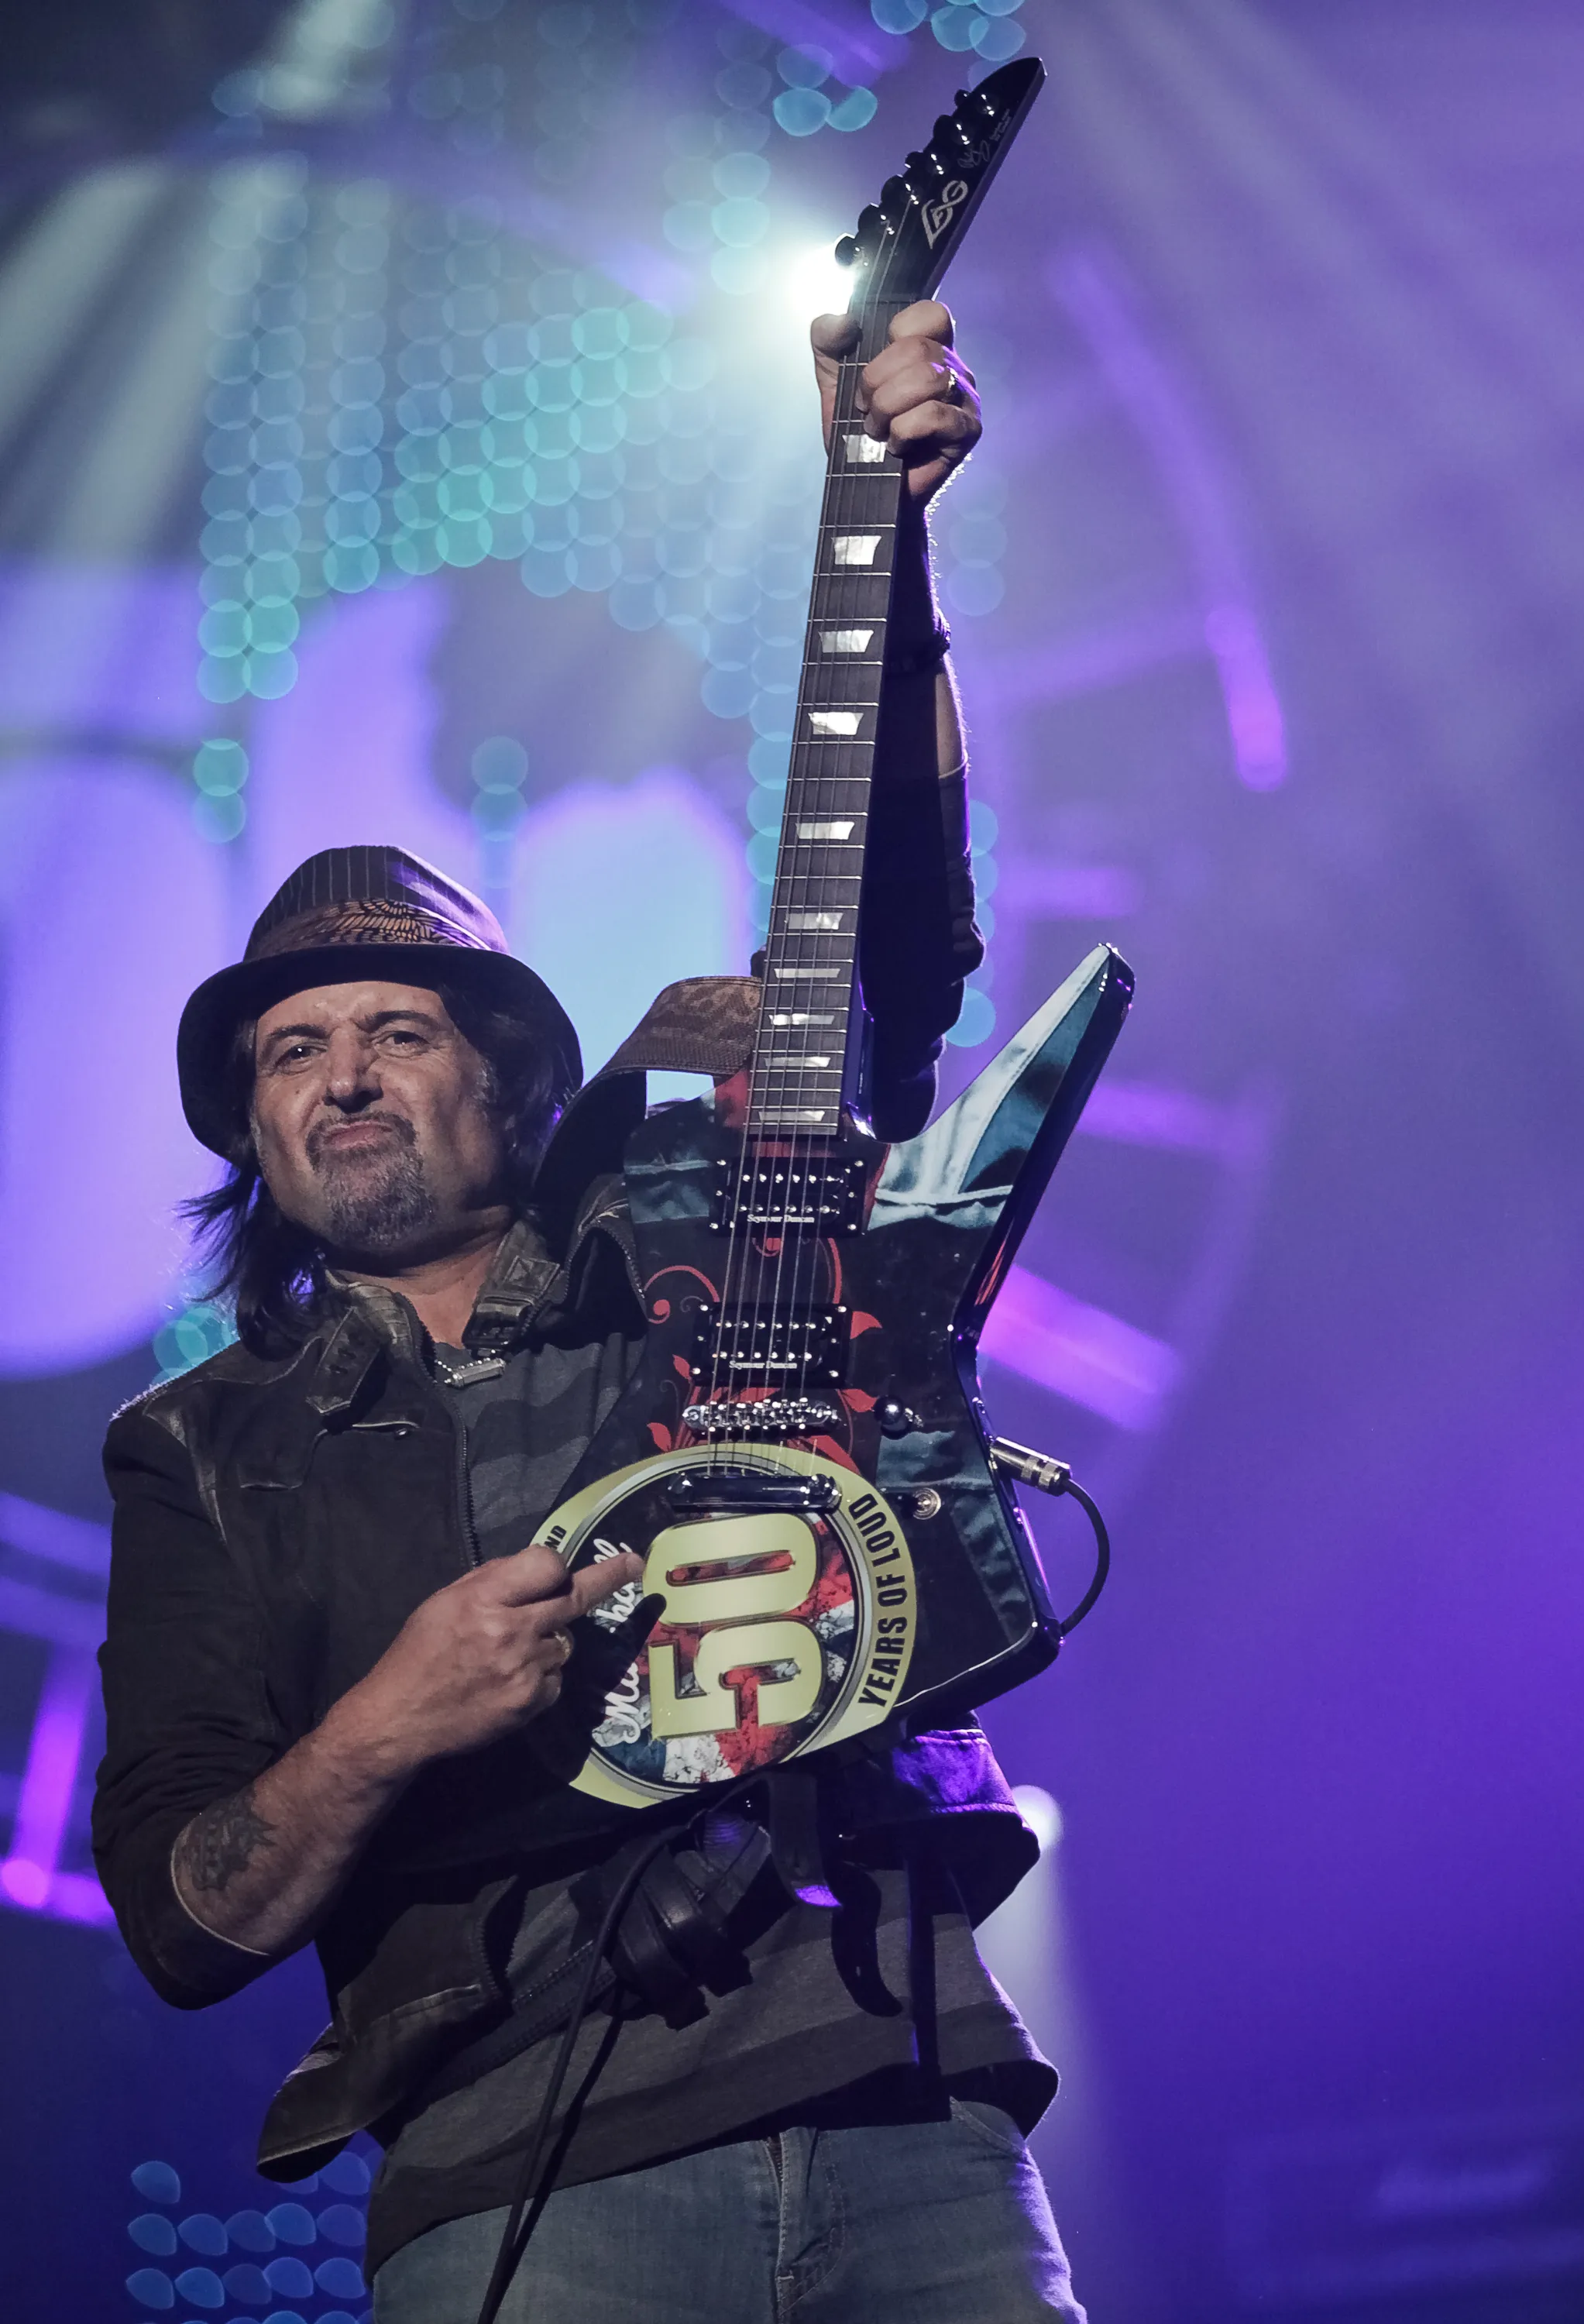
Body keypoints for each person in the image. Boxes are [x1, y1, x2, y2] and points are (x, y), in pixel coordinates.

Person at [94, 304, 1086, 2323]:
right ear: (253, 1129)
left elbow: (888, 948)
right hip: (516, 2182)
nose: (344, 1077)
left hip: (902, 2094)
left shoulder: (697, 1249)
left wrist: (888, 547)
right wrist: (392, 1717)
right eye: (291, 1052)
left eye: (396, 1031)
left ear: (511, 1080)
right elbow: (188, 1918)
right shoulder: (204, 1451)